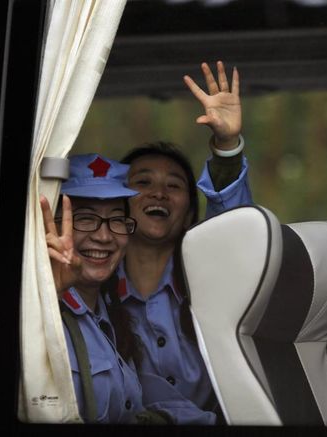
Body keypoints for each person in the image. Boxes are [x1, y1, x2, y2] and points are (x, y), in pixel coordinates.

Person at [108, 60, 253, 425]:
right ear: (116, 205)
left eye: (174, 185)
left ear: (190, 213)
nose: (159, 192)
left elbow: (234, 230)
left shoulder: (213, 283)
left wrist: (227, 144)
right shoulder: (93, 292)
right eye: (143, 182)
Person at [41, 153, 169, 424]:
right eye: (85, 218)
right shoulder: (38, 309)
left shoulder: (110, 314)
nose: (104, 236)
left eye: (116, 219)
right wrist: (47, 297)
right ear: (51, 224)